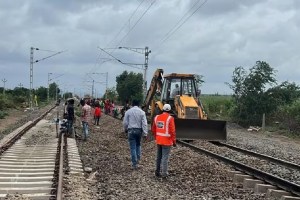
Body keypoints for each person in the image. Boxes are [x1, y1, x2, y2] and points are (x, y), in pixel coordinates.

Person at [151, 103, 176, 178]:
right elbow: (172, 131)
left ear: (163, 109)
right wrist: (174, 141)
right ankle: (164, 173)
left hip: (159, 141)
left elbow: (153, 129)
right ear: (169, 110)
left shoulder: (156, 117)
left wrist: (156, 137)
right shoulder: (170, 118)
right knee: (165, 157)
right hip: (167, 142)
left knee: (159, 156)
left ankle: (157, 172)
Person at [123, 99, 148, 169]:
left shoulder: (128, 112)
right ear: (139, 104)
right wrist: (145, 133)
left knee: (132, 147)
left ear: (132, 104)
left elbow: (125, 122)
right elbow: (144, 124)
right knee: (138, 145)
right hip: (139, 131)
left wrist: (125, 129)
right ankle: (138, 160)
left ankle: (134, 164)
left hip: (131, 130)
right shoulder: (142, 112)